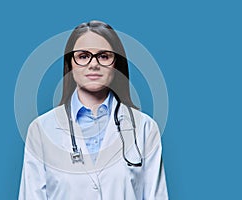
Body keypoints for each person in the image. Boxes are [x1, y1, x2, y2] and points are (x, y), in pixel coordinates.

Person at [18, 20, 168, 200]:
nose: (93, 64)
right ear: (70, 64)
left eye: (104, 56)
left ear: (116, 64)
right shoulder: (41, 130)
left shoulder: (145, 128)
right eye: (83, 56)